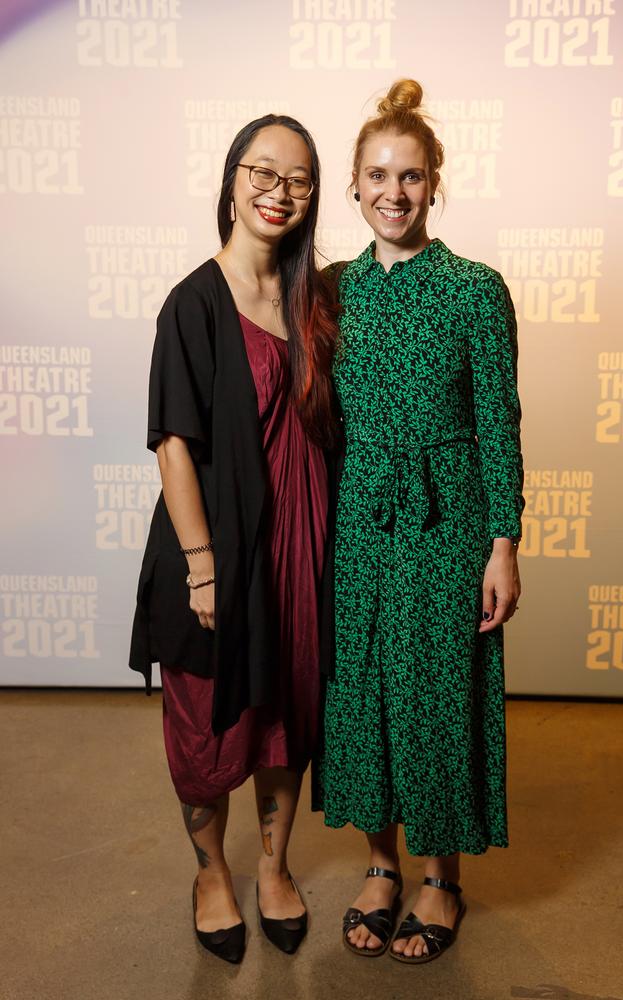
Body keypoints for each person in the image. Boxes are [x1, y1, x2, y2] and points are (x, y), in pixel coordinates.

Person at [317, 79, 524, 964]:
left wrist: (504, 541)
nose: (392, 193)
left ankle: (440, 877)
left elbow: (498, 421)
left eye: (410, 176)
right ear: (354, 188)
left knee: (438, 690)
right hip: (359, 513)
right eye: (375, 176)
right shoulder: (329, 292)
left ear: (435, 182)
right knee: (360, 688)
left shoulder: (476, 289)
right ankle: (379, 864)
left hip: (451, 518)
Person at [129, 115, 338, 963]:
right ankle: (213, 872)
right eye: (263, 171)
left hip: (303, 552)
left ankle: (277, 867)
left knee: (285, 717)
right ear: (230, 179)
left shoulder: (316, 301)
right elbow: (174, 443)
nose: (277, 191)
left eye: (297, 179)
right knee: (210, 732)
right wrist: (203, 570)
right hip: (217, 559)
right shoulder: (193, 302)